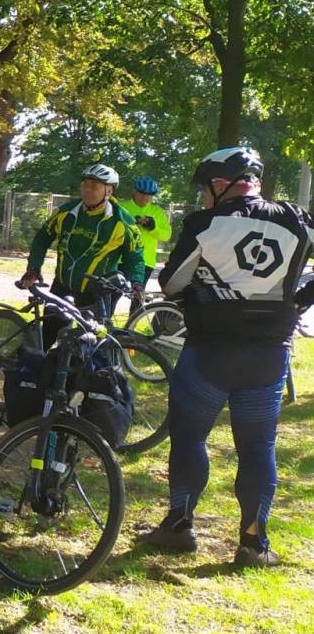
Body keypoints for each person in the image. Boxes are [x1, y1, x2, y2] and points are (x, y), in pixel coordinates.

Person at [136, 147, 314, 568]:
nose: (203, 196)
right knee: (257, 449)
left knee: (189, 438)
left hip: (209, 353)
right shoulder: (298, 220)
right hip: (267, 357)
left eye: (206, 188)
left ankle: (179, 525)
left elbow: (170, 283)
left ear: (222, 184)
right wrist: (298, 301)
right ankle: (254, 544)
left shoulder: (205, 223)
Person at [18, 163, 143, 320]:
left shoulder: (123, 221)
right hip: (62, 287)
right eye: (85, 185)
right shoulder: (65, 212)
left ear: (109, 191)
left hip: (97, 294)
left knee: (92, 335)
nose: (87, 190)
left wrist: (136, 282)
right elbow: (42, 238)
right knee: (49, 331)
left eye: (94, 186)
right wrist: (33, 269)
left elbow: (135, 257)